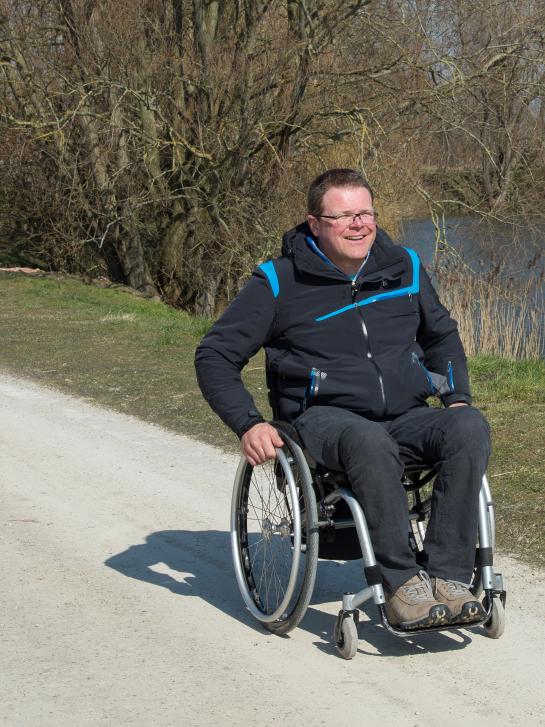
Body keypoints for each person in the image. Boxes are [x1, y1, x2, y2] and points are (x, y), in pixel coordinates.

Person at [195, 168, 490, 630]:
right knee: (367, 440)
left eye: (366, 213)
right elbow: (215, 355)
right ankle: (401, 583)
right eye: (344, 216)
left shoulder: (404, 266)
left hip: (406, 414)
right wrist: (248, 423)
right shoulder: (279, 281)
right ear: (315, 224)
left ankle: (449, 577)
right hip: (324, 419)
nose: (359, 225)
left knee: (468, 426)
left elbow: (442, 337)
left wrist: (456, 397)